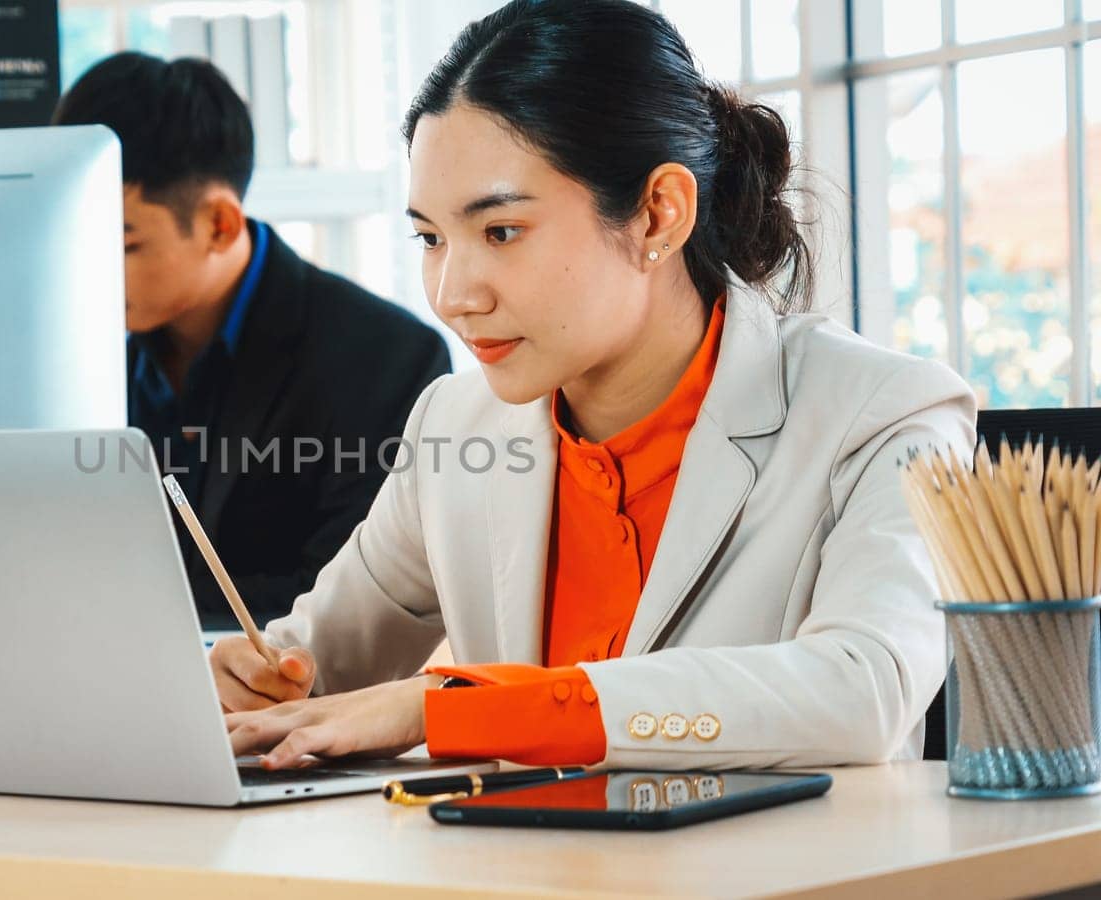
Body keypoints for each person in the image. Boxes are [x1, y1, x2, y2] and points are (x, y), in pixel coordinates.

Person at [211, 0, 976, 770]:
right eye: (431, 239)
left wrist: (462, 709)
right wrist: (248, 683)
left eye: (500, 232)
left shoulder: (887, 417)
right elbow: (309, 668)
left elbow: (861, 694)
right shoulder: (456, 426)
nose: (452, 294)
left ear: (656, 215)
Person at [52, 54, 452, 628]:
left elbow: (349, 601)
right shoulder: (75, 352)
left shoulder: (384, 357)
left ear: (219, 224)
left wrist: (110, 608)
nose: (85, 273)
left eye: (121, 244)